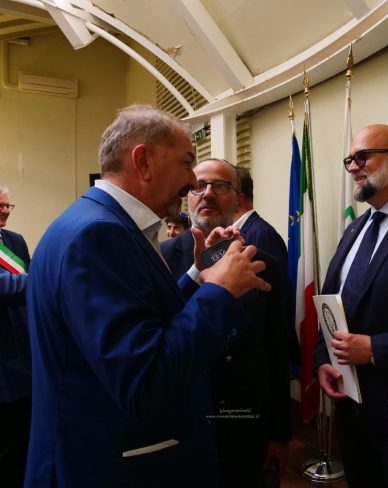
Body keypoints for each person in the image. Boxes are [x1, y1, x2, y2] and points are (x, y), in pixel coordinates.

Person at [25, 105, 270, 488]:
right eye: (187, 163)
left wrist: (199, 277)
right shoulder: (99, 236)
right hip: (110, 467)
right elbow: (144, 380)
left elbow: (144, 318)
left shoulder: (93, 222)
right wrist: (220, 292)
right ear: (143, 162)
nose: (192, 181)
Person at [313, 124, 388, 487]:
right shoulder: (355, 229)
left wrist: (375, 348)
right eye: (349, 160)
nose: (353, 167)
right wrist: (323, 358)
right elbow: (331, 302)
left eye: (363, 157)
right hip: (348, 402)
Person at [161, 158, 291, 487]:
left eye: (220, 186)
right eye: (199, 186)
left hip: (244, 423)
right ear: (187, 196)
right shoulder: (159, 258)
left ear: (238, 199)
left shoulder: (264, 264)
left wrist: (279, 433)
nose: (208, 193)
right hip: (180, 420)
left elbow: (276, 349)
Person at [233, 166, 300, 370]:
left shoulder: (261, 234)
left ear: (238, 198)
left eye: (221, 189)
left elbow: (273, 304)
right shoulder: (238, 233)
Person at [0, 186, 31, 488]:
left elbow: (31, 293)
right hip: (2, 363)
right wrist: (49, 276)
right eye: (0, 206)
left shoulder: (15, 241)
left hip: (25, 355)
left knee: (23, 443)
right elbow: (7, 287)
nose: (5, 211)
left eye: (8, 205)